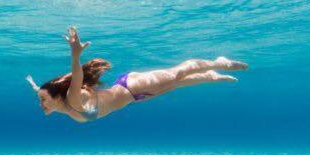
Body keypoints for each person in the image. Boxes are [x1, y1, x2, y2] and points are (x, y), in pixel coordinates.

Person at [26, 27, 248, 123]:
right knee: (176, 84)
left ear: (57, 97)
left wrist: (75, 55)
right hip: (135, 96)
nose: (41, 104)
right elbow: (47, 90)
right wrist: (37, 88)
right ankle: (212, 76)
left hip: (132, 86)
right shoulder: (59, 102)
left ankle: (218, 62)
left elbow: (76, 79)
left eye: (43, 100)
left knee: (177, 73)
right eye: (40, 100)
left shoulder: (73, 101)